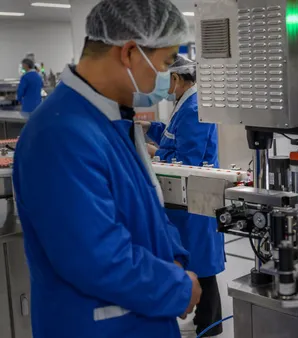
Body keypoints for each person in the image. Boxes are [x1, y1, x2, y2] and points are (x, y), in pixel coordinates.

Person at [12, 1, 202, 337]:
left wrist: (173, 257)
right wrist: (176, 287)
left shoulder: (112, 120)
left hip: (142, 315)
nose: (167, 74)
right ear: (130, 52)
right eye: (166, 61)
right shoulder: (61, 134)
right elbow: (95, 257)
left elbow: (149, 207)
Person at [140, 55, 225, 337]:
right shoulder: (184, 103)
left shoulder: (194, 106)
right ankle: (205, 319)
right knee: (195, 259)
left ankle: (210, 325)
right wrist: (148, 129)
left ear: (176, 79)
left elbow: (188, 157)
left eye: (164, 79)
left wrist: (154, 154)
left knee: (202, 264)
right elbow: (173, 136)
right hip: (185, 199)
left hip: (196, 196)